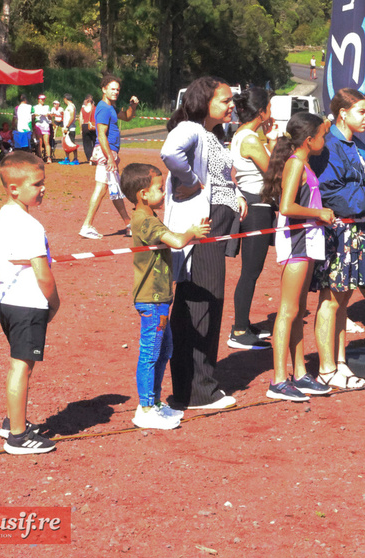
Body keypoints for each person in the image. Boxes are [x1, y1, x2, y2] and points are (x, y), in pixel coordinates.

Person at [161, 76, 246, 410]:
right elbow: (169, 152)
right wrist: (193, 183)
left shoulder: (212, 135)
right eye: (224, 100)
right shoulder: (192, 129)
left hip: (213, 231)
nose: (231, 106)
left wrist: (236, 195)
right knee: (200, 308)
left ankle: (197, 386)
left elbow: (222, 178)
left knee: (204, 306)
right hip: (201, 233)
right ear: (204, 100)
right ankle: (197, 391)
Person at [309, 88, 365, 390]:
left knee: (343, 300)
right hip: (337, 233)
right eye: (362, 111)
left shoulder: (361, 146)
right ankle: (326, 368)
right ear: (342, 113)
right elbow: (332, 195)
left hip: (359, 232)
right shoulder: (328, 147)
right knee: (331, 300)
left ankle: (340, 362)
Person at [120, 163, 211, 429]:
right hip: (152, 299)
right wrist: (192, 232)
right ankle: (146, 408)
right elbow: (177, 242)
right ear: (143, 194)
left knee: (164, 349)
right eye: (160, 188)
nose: (164, 192)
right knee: (151, 352)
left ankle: (155, 403)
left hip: (159, 298)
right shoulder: (145, 220)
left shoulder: (147, 216)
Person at [262, 112, 335, 401]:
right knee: (288, 311)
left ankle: (301, 373)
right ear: (309, 140)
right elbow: (287, 206)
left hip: (308, 242)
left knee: (297, 311)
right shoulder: (295, 165)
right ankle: (279, 380)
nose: (324, 140)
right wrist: (320, 213)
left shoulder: (302, 163)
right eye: (322, 136)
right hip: (297, 243)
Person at [0, 151, 61, 454]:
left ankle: (12, 422)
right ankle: (17, 437)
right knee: (22, 367)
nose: (43, 188)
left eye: (43, 182)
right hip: (27, 304)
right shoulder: (31, 226)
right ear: (14, 188)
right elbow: (43, 273)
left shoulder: (4, 215)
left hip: (5, 301)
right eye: (37, 184)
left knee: (17, 364)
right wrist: (54, 302)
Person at [228, 87, 276, 350]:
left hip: (257, 204)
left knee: (252, 271)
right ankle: (238, 330)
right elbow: (272, 172)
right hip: (257, 207)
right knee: (250, 271)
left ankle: (244, 323)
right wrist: (273, 140)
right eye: (269, 106)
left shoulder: (243, 134)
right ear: (262, 111)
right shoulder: (250, 139)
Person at [79, 75, 139, 239]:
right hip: (106, 153)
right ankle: (88, 225)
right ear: (104, 89)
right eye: (112, 89)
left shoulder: (111, 107)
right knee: (106, 188)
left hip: (109, 153)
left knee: (111, 189)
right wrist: (110, 158)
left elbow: (127, 116)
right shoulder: (104, 108)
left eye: (118, 89)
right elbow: (101, 135)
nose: (116, 92)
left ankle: (127, 224)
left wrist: (133, 105)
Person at [60, 94, 79, 165]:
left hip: (70, 128)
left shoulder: (71, 106)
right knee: (66, 143)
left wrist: (67, 126)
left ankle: (75, 158)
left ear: (65, 99)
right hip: (67, 128)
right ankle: (67, 158)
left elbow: (72, 117)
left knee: (72, 144)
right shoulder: (69, 107)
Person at [32, 94, 52, 163]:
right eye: (41, 99)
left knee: (46, 142)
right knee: (39, 142)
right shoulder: (35, 107)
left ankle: (48, 157)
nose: (43, 100)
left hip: (45, 125)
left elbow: (50, 117)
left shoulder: (47, 107)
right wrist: (36, 115)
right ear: (39, 100)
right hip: (38, 125)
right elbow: (33, 116)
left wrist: (48, 115)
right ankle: (40, 157)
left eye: (43, 99)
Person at [79, 94, 97, 163]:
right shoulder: (95, 108)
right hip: (93, 126)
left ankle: (90, 158)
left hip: (85, 126)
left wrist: (81, 128)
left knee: (87, 144)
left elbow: (81, 119)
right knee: (95, 142)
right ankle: (95, 157)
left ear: (86, 100)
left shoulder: (83, 109)